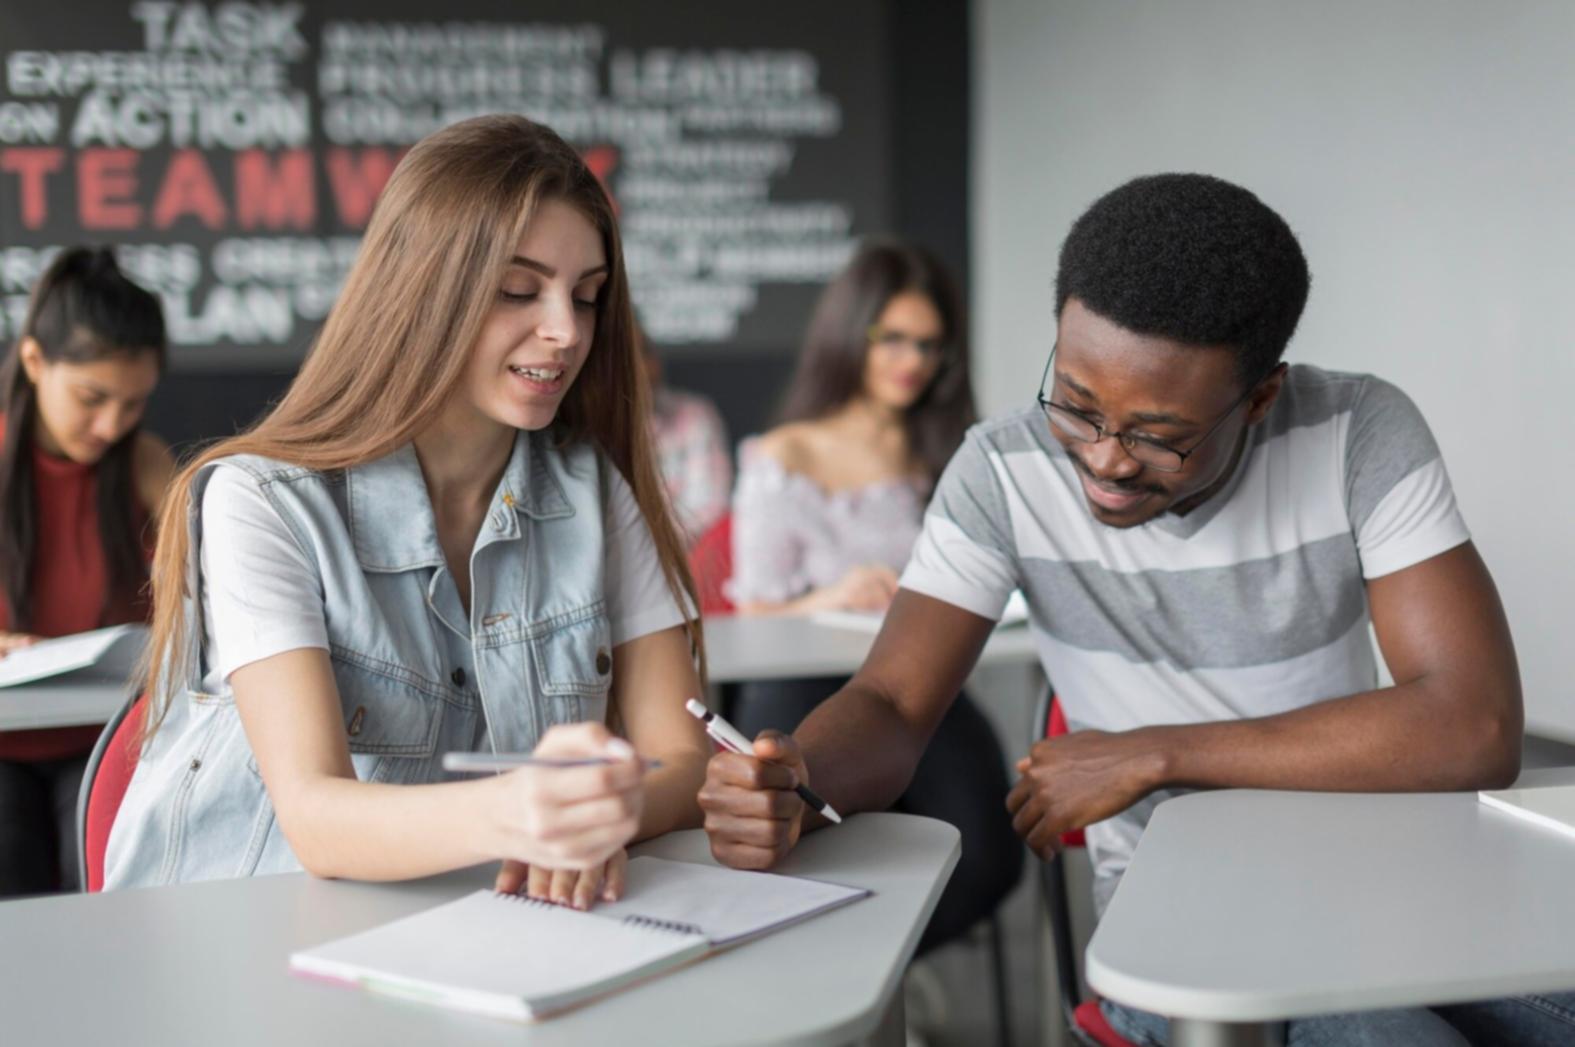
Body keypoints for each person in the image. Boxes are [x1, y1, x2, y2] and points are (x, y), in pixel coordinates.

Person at [696, 175, 1575, 1044]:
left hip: (1384, 882)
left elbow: (1473, 723)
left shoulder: (1357, 432)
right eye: (1075, 408)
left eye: (1159, 434)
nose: (1106, 461)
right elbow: (891, 702)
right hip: (1179, 919)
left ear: (1260, 396)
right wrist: (795, 778)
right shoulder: (1000, 470)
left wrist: (1156, 754)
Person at [105, 115, 711, 909]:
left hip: (458, 931)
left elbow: (684, 753)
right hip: (239, 929)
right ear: (424, 290)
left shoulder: (592, 487)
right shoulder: (262, 500)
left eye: (588, 296)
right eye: (516, 291)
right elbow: (316, 818)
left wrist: (605, 810)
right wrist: (519, 812)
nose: (566, 331)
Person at [725, 240, 1022, 955]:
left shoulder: (944, 455)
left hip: (916, 684)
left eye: (927, 343)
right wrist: (832, 593)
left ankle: (871, 977)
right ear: (848, 334)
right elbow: (748, 614)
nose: (910, 359)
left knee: (987, 854)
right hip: (795, 684)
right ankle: (837, 993)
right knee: (795, 861)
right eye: (891, 337)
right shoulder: (785, 454)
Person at [0, 246, 172, 896]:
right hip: (7, 740)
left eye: (133, 404)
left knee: (105, 866)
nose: (111, 425)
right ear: (34, 360)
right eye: (91, 398)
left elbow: (208, 587)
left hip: (103, 733)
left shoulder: (144, 465)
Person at [641, 331, 731, 544]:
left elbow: (710, 510)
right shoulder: (584, 427)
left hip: (683, 562)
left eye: (645, 353)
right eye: (624, 357)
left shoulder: (694, 414)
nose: (641, 366)